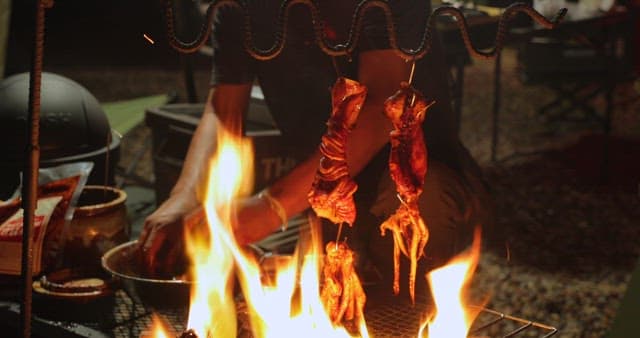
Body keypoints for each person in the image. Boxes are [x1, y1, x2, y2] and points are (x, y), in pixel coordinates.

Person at [138, 0, 494, 299]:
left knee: (401, 270)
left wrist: (270, 206)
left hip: (417, 184)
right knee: (333, 297)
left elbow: (381, 107)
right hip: (320, 191)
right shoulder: (239, 8)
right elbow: (223, 110)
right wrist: (183, 196)